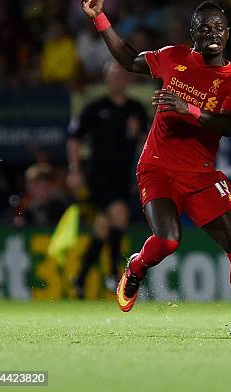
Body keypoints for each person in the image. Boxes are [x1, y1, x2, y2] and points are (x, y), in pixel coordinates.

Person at [80, 0, 231, 335]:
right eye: (205, 28)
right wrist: (100, 17)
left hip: (202, 174)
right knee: (168, 241)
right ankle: (136, 268)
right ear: (193, 32)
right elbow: (128, 59)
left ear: (228, 34)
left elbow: (229, 125)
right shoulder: (172, 57)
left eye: (219, 28)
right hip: (157, 166)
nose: (213, 35)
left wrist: (187, 108)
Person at [69, 61, 148, 297]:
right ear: (106, 80)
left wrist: (142, 166)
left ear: (127, 80)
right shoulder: (95, 108)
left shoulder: (137, 109)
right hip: (98, 175)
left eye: (121, 76)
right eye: (113, 76)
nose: (117, 80)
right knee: (120, 216)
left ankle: (80, 278)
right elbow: (74, 138)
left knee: (104, 227)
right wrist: (75, 170)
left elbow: (147, 141)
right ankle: (113, 275)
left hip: (123, 175)